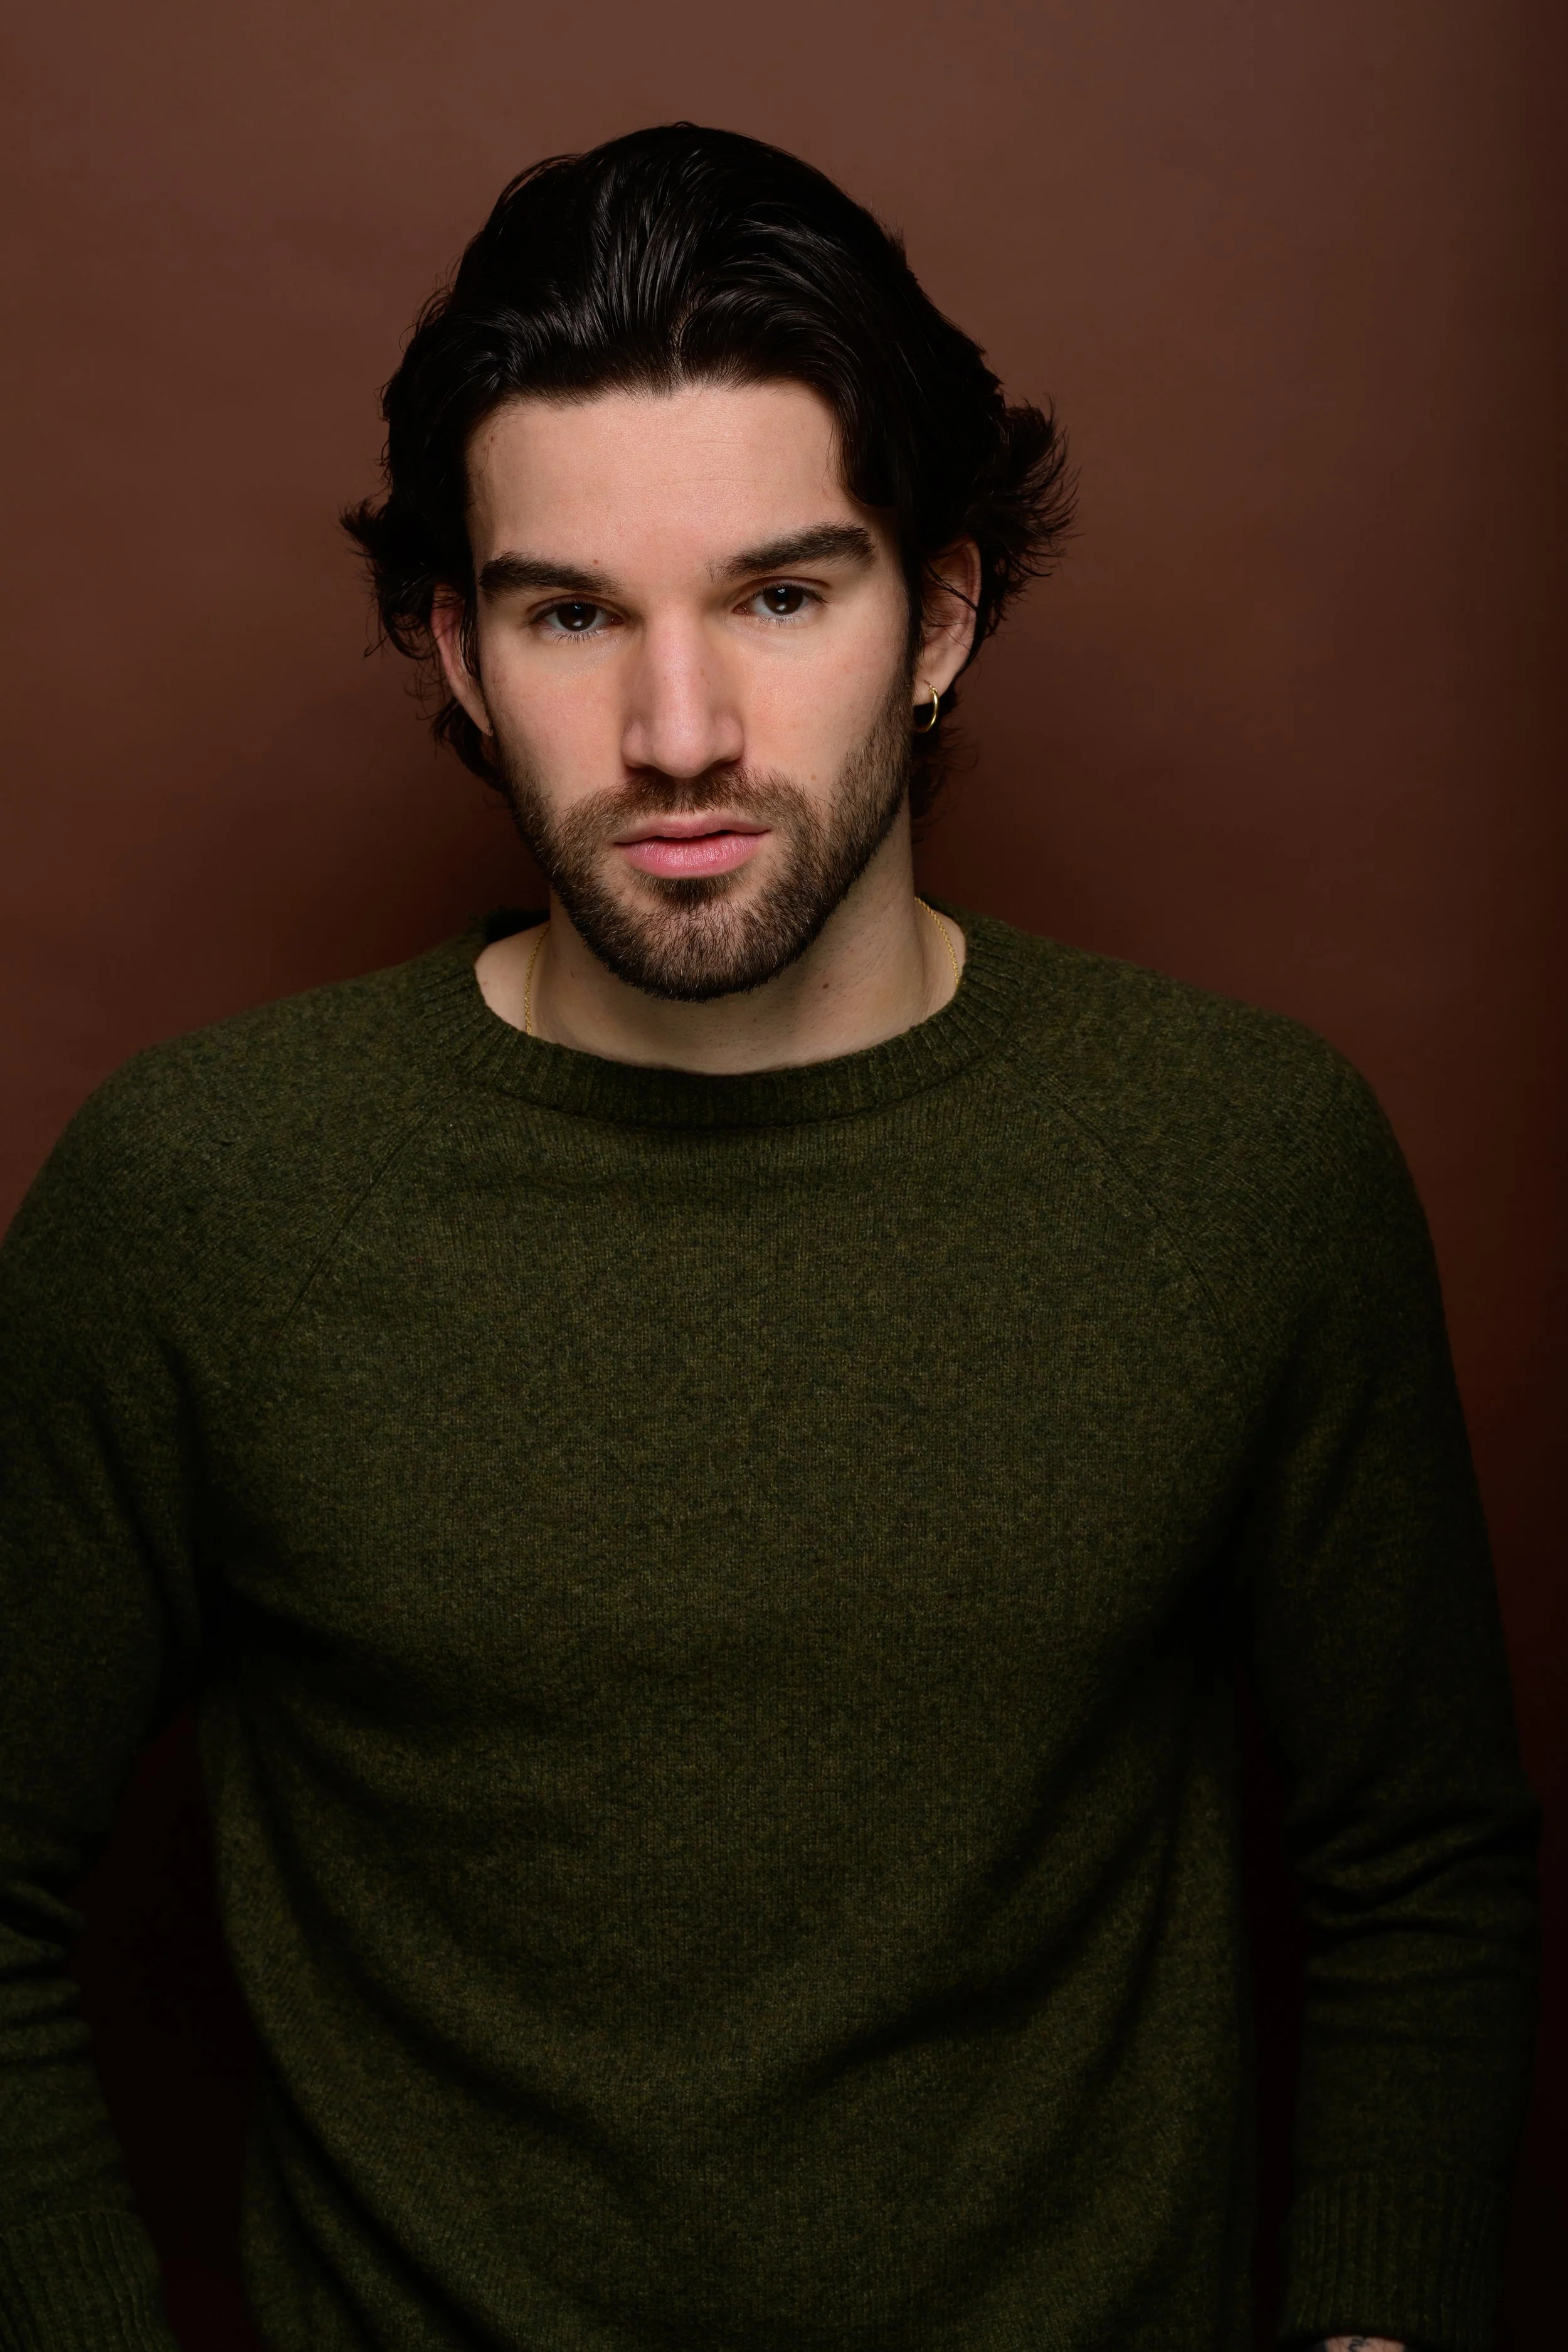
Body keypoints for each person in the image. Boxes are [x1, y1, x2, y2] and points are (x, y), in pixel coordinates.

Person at [0, 123, 1537, 2352]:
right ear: (451, 642)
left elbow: (1419, 1872)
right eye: (567, 614)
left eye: (781, 594)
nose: (680, 735)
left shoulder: (1243, 1161)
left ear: (942, 612)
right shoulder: (201, 1194)